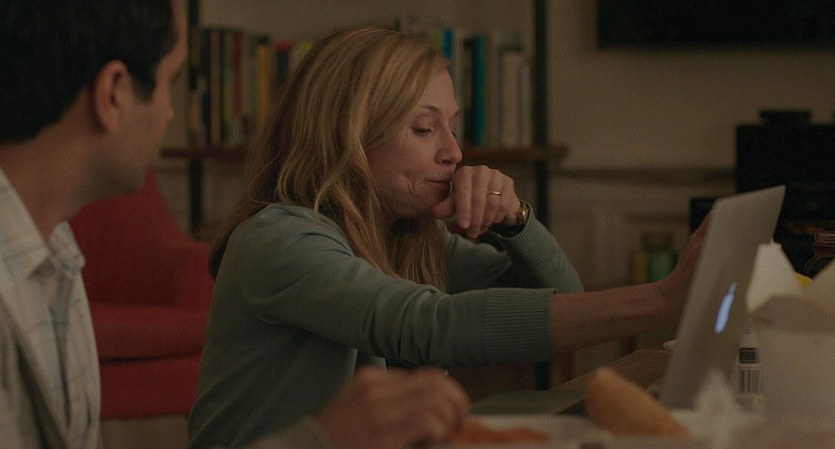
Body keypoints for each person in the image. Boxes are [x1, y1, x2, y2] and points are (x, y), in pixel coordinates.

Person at [189, 26, 707, 449]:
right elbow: (426, 324)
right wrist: (662, 300)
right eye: (424, 129)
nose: (454, 153)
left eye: (452, 127)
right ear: (346, 135)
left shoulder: (408, 235)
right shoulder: (278, 238)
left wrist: (516, 220)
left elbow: (563, 296)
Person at [0, 3, 470, 449]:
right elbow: (421, 321)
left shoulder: (57, 257)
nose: (169, 113)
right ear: (114, 93)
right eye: (170, 83)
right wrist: (322, 440)